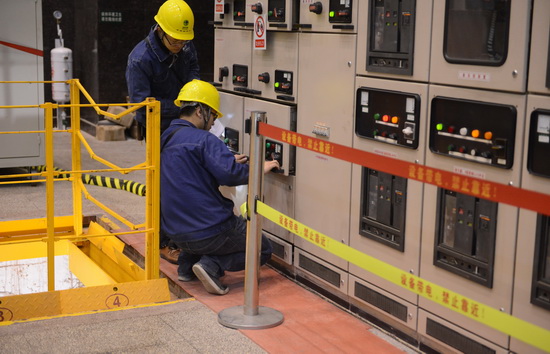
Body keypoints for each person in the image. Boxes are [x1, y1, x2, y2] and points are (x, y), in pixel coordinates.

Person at [160, 80, 280, 295]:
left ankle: (186, 267)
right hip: (209, 228)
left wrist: (225, 159)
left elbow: (192, 168)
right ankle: (211, 265)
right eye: (213, 116)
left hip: (174, 231)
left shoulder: (166, 137)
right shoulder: (204, 139)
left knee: (195, 232)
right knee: (262, 249)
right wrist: (260, 167)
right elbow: (230, 175)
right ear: (200, 111)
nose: (213, 122)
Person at [126, 0, 200, 263]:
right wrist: (181, 104)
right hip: (160, 127)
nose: (180, 45)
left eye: (183, 41)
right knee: (164, 187)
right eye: (175, 41)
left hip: (185, 122)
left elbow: (193, 68)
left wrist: (194, 90)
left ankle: (188, 235)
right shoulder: (140, 59)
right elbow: (142, 107)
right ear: (159, 29)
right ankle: (162, 242)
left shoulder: (184, 42)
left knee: (187, 183)